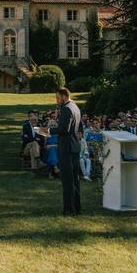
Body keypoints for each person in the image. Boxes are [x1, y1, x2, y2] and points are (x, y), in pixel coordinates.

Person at [55, 87, 82, 215]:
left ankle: (69, 209)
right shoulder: (75, 107)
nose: (56, 101)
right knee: (75, 179)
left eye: (57, 98)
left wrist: (47, 131)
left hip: (66, 148)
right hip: (75, 147)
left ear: (64, 96)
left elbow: (63, 130)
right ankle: (76, 206)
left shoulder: (66, 109)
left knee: (67, 181)